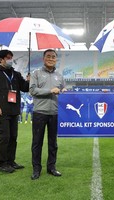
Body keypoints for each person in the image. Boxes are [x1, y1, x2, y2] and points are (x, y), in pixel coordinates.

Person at [0, 49, 30, 173]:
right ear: (1, 60)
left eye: (11, 57)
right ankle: (2, 164)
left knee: (13, 137)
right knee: (4, 137)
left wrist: (28, 80)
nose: (11, 60)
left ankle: (11, 161)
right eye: (8, 58)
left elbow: (25, 88)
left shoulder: (16, 74)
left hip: (14, 111)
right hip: (1, 111)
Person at [29, 49, 66, 180]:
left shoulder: (60, 76)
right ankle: (36, 169)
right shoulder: (36, 73)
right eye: (48, 56)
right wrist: (50, 90)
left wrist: (64, 90)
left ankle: (51, 167)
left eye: (53, 57)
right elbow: (32, 90)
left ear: (56, 59)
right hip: (39, 112)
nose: (51, 58)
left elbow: (62, 91)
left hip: (55, 113)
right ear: (43, 59)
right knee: (37, 142)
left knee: (53, 143)